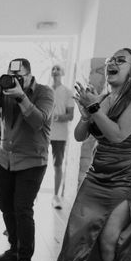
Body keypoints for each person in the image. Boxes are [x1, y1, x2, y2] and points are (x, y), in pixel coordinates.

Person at [47, 48, 131, 261]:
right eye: (110, 61)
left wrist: (94, 107)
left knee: (110, 241)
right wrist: (86, 113)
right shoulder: (105, 98)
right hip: (97, 177)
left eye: (120, 60)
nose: (112, 64)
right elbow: (81, 135)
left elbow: (117, 135)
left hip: (125, 180)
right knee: (77, 235)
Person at [0, 58, 54, 261]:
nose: (15, 80)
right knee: (5, 205)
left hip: (32, 160)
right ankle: (14, 248)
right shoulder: (5, 92)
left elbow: (38, 121)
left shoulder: (44, 92)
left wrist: (21, 96)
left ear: (30, 75)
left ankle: (25, 259)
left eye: (19, 76)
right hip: (5, 158)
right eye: (12, 76)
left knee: (22, 208)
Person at [50, 64, 75, 209]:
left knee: (57, 165)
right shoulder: (45, 90)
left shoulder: (67, 92)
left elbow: (70, 115)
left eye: (58, 69)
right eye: (53, 69)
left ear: (63, 72)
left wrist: (57, 117)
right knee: (37, 164)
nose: (55, 71)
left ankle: (56, 196)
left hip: (60, 135)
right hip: (44, 132)